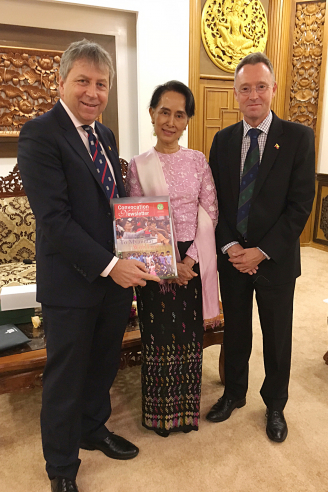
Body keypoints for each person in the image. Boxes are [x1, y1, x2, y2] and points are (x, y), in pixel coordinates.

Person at [18, 39, 158, 492]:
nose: (93, 92)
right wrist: (111, 264)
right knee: (65, 377)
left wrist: (142, 247)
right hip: (71, 282)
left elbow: (113, 207)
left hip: (114, 281)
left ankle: (93, 429)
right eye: (83, 81)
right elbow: (55, 221)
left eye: (101, 84)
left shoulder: (105, 135)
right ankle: (61, 467)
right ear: (62, 82)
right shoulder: (40, 133)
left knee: (102, 365)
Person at [207, 52, 315, 442]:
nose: (253, 95)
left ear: (273, 89)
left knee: (277, 335)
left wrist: (262, 251)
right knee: (236, 331)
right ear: (236, 93)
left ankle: (274, 405)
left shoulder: (298, 137)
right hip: (234, 259)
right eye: (245, 88)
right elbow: (214, 200)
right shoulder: (222, 141)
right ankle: (234, 393)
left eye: (260, 87)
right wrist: (233, 247)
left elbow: (301, 204)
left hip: (275, 261)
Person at [126, 80, 220, 436]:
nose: (170, 120)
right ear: (152, 114)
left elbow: (209, 211)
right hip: (154, 258)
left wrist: (189, 262)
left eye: (179, 114)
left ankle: (184, 415)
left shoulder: (197, 161)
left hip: (191, 258)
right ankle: (159, 417)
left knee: (187, 340)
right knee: (158, 338)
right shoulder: (138, 165)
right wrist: (166, 266)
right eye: (164, 111)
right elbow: (136, 219)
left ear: (187, 121)